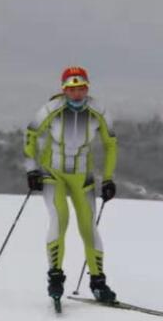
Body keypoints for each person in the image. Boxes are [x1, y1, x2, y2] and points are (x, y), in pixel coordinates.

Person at [24, 66, 119, 304]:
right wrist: (32, 169)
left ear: (87, 88)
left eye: (81, 88)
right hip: (52, 173)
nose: (77, 93)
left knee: (88, 227)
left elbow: (111, 145)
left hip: (82, 177)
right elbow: (30, 135)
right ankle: (55, 277)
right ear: (64, 89)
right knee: (61, 219)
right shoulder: (51, 109)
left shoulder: (99, 111)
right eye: (72, 89)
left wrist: (108, 178)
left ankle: (98, 282)